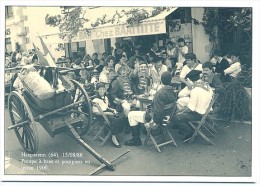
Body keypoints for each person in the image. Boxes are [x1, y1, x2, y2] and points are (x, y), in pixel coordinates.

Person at [124, 71, 177, 146]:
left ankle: (136, 140)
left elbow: (158, 112)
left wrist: (152, 123)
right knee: (146, 108)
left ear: (161, 80)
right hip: (167, 118)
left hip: (157, 119)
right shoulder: (173, 91)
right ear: (170, 80)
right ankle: (154, 133)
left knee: (131, 114)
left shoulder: (159, 93)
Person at [171, 70, 213, 142]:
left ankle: (189, 132)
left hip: (199, 114)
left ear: (190, 80)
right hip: (206, 110)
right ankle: (185, 128)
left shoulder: (195, 90)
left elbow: (191, 108)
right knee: (181, 110)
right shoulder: (206, 85)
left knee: (175, 116)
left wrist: (181, 111)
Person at [92, 82, 127, 148]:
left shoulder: (105, 97)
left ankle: (117, 134)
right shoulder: (95, 100)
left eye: (103, 89)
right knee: (115, 120)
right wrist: (108, 113)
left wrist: (112, 110)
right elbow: (96, 112)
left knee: (122, 116)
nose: (102, 91)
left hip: (106, 112)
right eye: (100, 89)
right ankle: (113, 137)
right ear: (97, 90)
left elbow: (106, 107)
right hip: (101, 116)